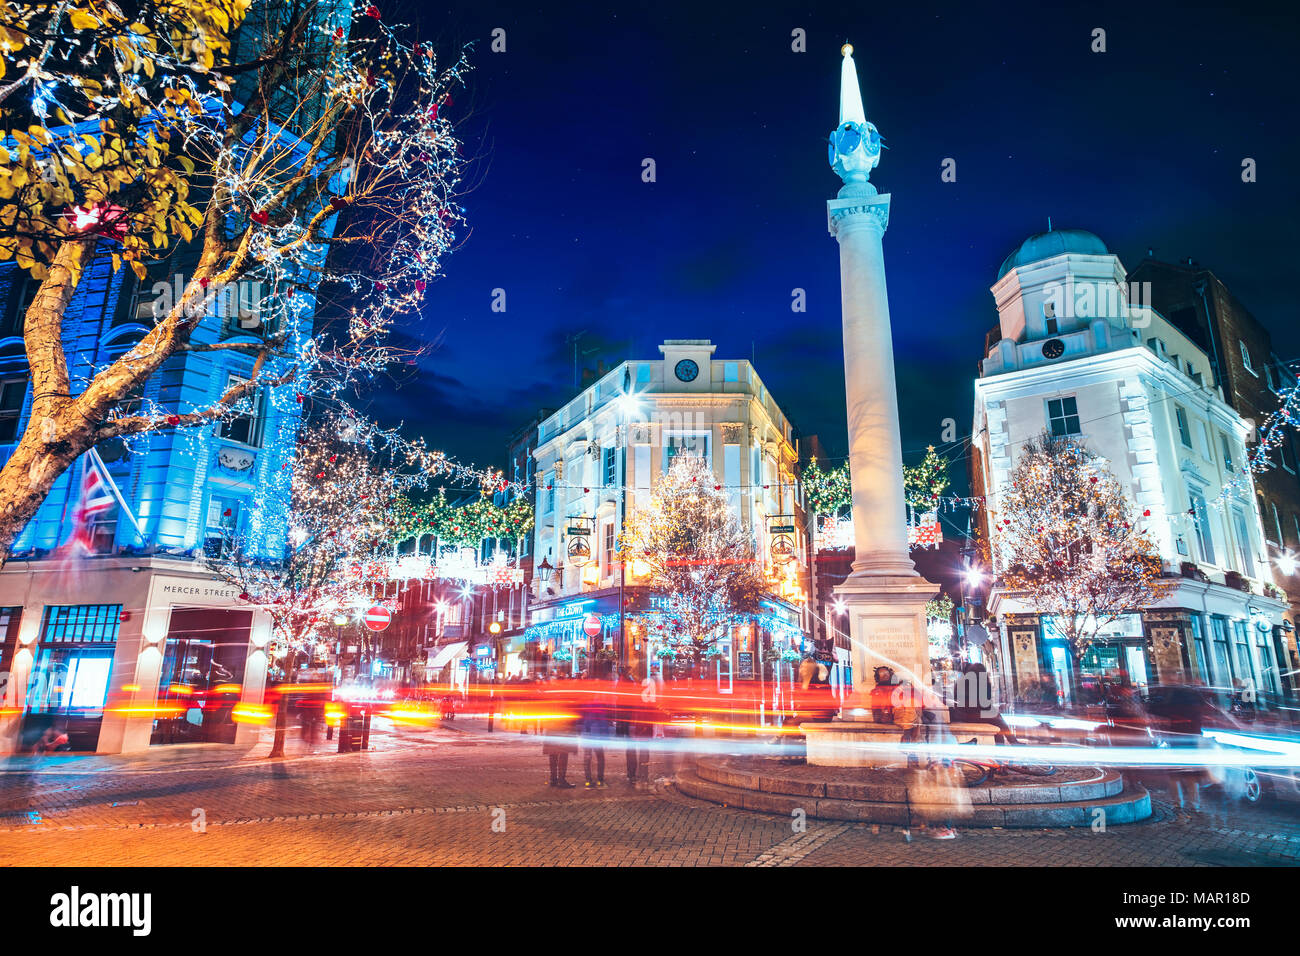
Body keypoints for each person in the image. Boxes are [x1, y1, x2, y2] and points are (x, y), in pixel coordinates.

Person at [542, 685, 579, 788]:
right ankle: (561, 780)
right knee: (563, 754)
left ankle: (553, 779)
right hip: (562, 730)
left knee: (553, 754)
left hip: (551, 730)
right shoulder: (565, 701)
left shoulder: (550, 700)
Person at [579, 690, 614, 788]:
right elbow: (603, 722)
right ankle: (600, 780)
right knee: (600, 757)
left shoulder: (585, 705)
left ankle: (588, 781)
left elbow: (580, 719)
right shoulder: (599, 705)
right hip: (596, 735)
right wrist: (606, 737)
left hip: (587, 734)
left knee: (587, 757)